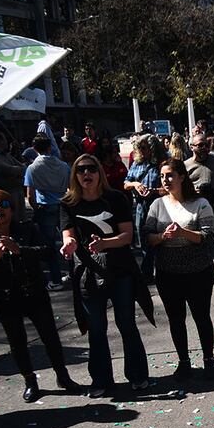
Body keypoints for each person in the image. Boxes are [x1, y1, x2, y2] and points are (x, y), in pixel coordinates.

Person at [0, 189, 82, 402]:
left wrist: (21, 250)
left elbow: (47, 251)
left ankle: (63, 377)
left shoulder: (27, 229)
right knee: (17, 342)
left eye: (4, 205)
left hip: (33, 292)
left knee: (50, 337)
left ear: (12, 210)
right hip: (4, 298)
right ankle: (30, 381)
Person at [60, 154, 154, 397]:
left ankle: (138, 376)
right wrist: (69, 245)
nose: (86, 174)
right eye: (81, 170)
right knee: (96, 327)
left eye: (91, 168)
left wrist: (105, 244)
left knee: (126, 323)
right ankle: (101, 379)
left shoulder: (115, 198)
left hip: (119, 269)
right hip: (88, 274)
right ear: (75, 175)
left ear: (99, 172)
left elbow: (127, 236)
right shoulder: (68, 203)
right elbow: (68, 235)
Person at [144, 158, 214, 379]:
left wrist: (182, 233)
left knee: (201, 316)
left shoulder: (200, 203)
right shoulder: (157, 205)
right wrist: (162, 236)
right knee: (175, 319)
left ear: (182, 177)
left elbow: (207, 236)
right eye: (162, 176)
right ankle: (184, 361)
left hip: (198, 273)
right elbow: (146, 236)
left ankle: (209, 359)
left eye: (170, 175)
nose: (165, 180)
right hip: (168, 274)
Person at [23, 133, 70, 290]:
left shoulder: (32, 168)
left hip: (46, 207)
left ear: (34, 148)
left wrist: (37, 208)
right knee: (69, 241)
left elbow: (30, 196)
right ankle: (74, 273)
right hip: (63, 205)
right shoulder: (63, 166)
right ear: (50, 147)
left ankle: (56, 280)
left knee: (49, 246)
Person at [185, 133, 214, 284]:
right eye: (200, 145)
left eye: (206, 144)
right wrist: (194, 192)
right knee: (203, 244)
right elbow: (182, 189)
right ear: (191, 147)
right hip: (197, 212)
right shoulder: (186, 166)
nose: (204, 147)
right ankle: (209, 273)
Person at [123, 133, 163, 282]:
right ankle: (147, 273)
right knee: (144, 241)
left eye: (145, 148)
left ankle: (161, 272)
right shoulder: (137, 164)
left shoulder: (162, 163)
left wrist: (152, 191)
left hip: (159, 207)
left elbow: (170, 188)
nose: (142, 151)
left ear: (153, 148)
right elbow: (126, 183)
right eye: (140, 148)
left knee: (160, 240)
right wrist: (136, 184)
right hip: (141, 207)